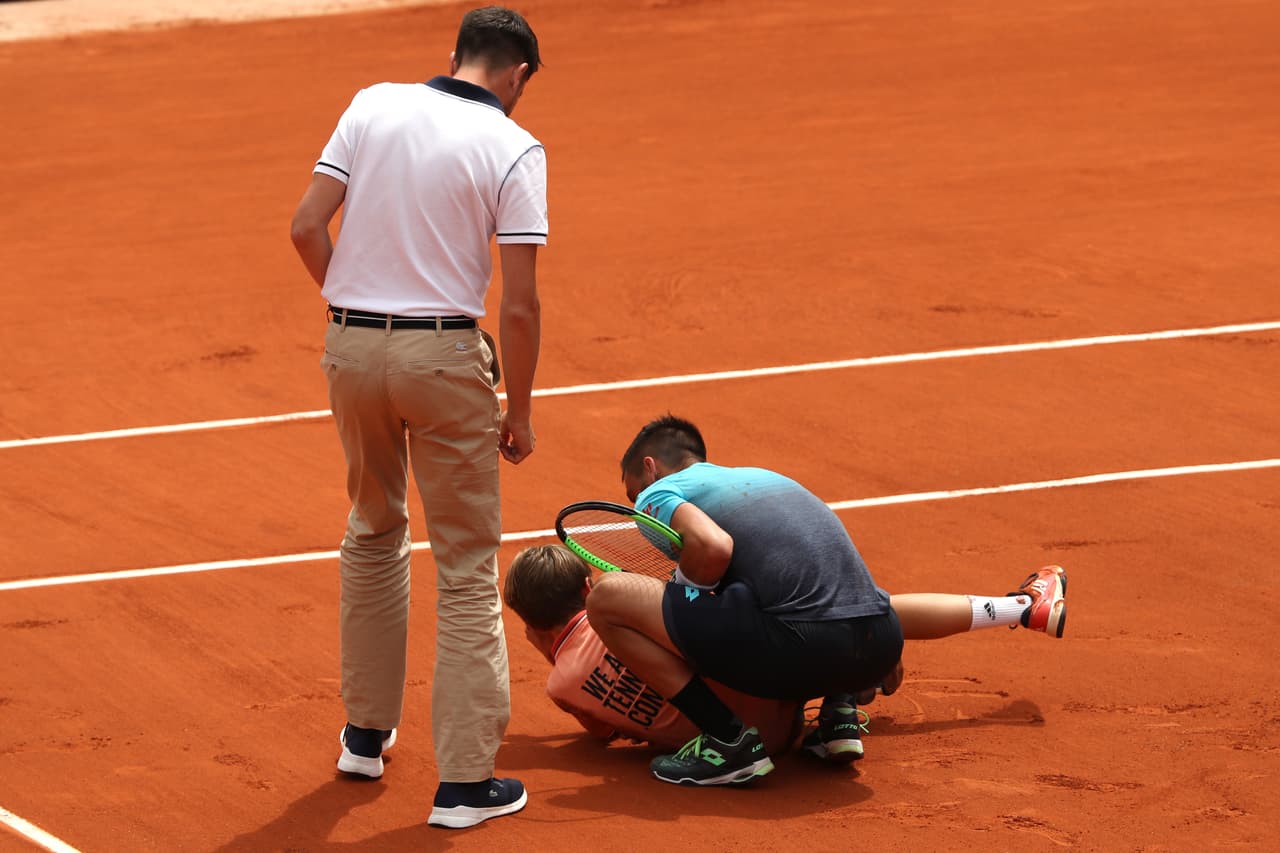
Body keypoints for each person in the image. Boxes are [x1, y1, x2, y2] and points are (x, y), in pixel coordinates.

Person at [289, 6, 547, 829]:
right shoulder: (513, 145)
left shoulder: (372, 102)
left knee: (372, 528)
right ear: (518, 77)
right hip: (443, 361)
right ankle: (466, 783)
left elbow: (304, 227)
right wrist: (521, 409)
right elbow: (520, 305)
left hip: (350, 350)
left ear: (456, 54)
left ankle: (364, 736)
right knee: (468, 561)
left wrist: (355, 314)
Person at [586, 415, 1067, 786]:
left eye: (634, 494)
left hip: (804, 649)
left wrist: (683, 587)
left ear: (649, 469)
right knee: (816, 601)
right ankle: (838, 718)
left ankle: (727, 741)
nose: (637, 508)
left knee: (608, 600)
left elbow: (711, 549)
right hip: (876, 648)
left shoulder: (661, 493)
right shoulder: (765, 478)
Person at [502, 544, 806, 754]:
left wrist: (552, 653)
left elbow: (605, 734)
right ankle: (839, 703)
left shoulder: (560, 687)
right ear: (586, 588)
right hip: (783, 701)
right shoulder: (634, 610)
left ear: (531, 624)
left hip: (763, 742)